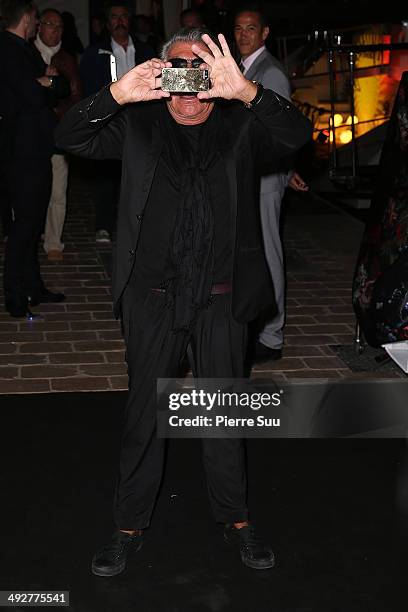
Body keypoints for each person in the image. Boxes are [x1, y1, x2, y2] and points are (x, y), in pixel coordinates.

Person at [56, 28, 311, 576]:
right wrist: (118, 94)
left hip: (221, 295)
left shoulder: (239, 122)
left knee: (222, 414)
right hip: (152, 295)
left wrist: (246, 91)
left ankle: (236, 518)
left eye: (202, 70)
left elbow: (297, 132)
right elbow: (70, 135)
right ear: (161, 73)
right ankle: (129, 525)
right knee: (144, 416)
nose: (190, 84)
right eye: (179, 69)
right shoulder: (138, 122)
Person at [234, 5, 309, 363]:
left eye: (251, 29)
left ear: (264, 33)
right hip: (250, 175)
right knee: (254, 252)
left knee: (268, 253)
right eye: (238, 29)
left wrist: (284, 168)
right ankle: (258, 328)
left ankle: (271, 335)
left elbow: (284, 128)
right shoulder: (243, 68)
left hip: (263, 177)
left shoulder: (272, 73)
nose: (243, 35)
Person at [0, 0, 65, 318]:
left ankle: (33, 286)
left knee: (33, 221)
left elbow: (55, 88)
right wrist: (43, 84)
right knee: (23, 224)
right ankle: (14, 293)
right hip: (21, 151)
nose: (38, 24)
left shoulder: (25, 50)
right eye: (36, 19)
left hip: (38, 146)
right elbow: (31, 94)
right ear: (27, 18)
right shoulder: (8, 50)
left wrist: (45, 83)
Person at [80, 2, 155, 244]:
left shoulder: (147, 50)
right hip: (109, 121)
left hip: (141, 120)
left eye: (124, 16)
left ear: (130, 20)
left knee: (139, 175)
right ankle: (103, 224)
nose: (120, 21)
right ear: (107, 21)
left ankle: (138, 226)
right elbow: (88, 90)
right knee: (106, 174)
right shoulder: (95, 52)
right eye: (115, 17)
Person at [34, 8, 82, 261]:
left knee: (58, 189)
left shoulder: (67, 59)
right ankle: (30, 233)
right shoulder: (26, 52)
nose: (56, 30)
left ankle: (54, 241)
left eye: (60, 26)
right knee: (30, 188)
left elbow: (75, 95)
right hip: (30, 134)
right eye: (51, 24)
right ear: (39, 26)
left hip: (58, 132)